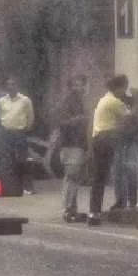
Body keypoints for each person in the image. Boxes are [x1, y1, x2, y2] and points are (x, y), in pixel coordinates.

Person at [87, 74, 138, 226]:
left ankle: (94, 212)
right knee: (122, 171)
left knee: (98, 178)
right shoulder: (114, 102)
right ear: (120, 88)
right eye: (124, 88)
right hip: (108, 138)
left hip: (98, 138)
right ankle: (125, 201)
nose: (125, 92)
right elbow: (132, 117)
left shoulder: (103, 99)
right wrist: (136, 99)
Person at [55, 75, 90, 222]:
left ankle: (72, 209)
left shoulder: (80, 101)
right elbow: (61, 121)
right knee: (72, 177)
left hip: (78, 144)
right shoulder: (67, 102)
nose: (80, 88)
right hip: (71, 145)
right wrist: (78, 120)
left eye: (81, 85)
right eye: (76, 85)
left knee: (75, 178)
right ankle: (67, 209)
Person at [0, 76, 36, 194]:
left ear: (17, 86)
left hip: (19, 132)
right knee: (7, 160)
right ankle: (9, 186)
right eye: (9, 84)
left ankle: (27, 187)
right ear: (6, 87)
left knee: (22, 160)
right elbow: (0, 116)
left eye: (13, 84)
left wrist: (24, 129)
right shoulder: (2, 100)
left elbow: (30, 117)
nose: (11, 86)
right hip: (6, 133)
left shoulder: (25, 100)